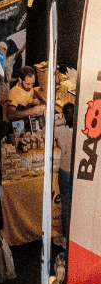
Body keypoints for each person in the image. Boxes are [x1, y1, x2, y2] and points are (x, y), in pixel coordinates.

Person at [55, 101, 76, 240]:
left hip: (65, 171)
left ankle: (66, 236)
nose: (71, 116)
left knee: (67, 205)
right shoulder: (80, 132)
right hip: (70, 171)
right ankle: (69, 235)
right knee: (69, 205)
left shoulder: (59, 130)